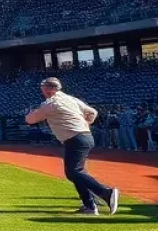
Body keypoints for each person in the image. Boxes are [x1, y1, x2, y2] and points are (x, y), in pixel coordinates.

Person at [25, 77, 119, 216]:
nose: (42, 91)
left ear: (47, 89)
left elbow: (30, 119)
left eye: (43, 88)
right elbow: (92, 112)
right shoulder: (70, 99)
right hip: (84, 136)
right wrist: (85, 124)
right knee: (74, 172)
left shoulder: (51, 103)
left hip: (75, 139)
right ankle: (89, 205)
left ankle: (106, 193)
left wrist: (30, 113)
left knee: (74, 171)